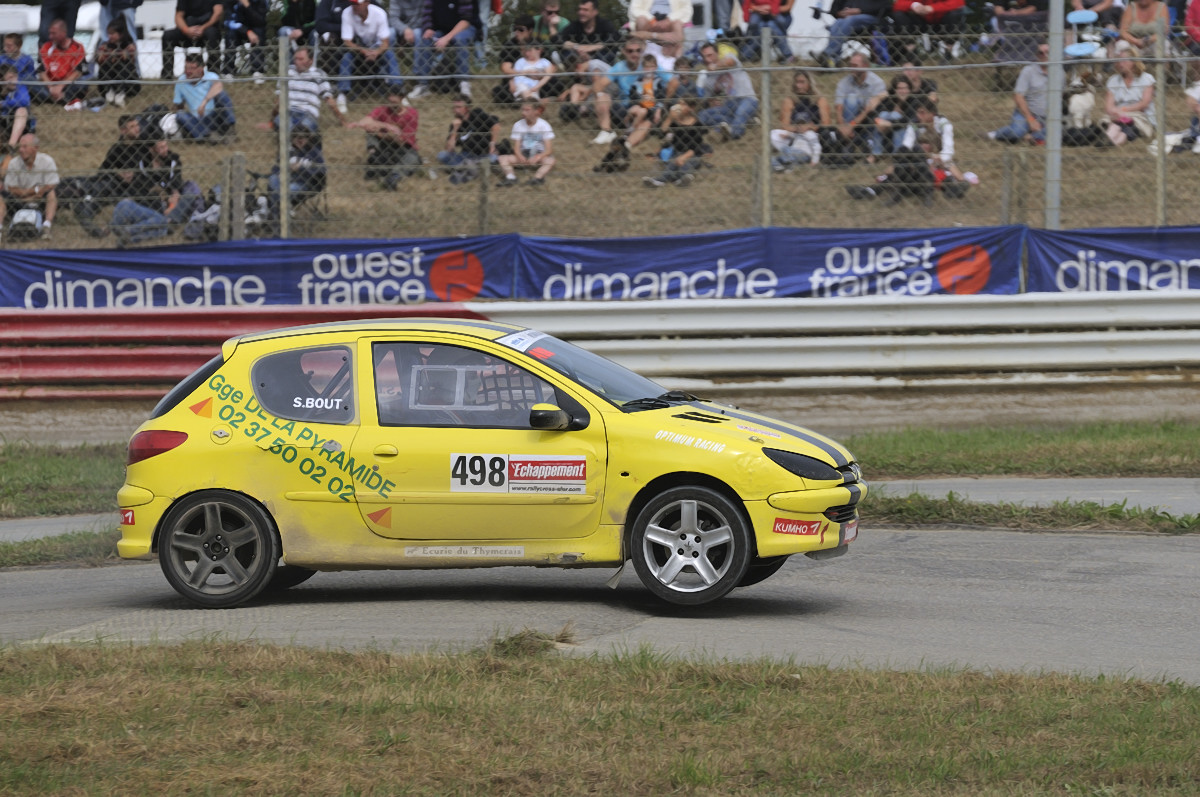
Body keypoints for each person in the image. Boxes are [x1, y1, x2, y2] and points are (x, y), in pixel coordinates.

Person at [110, 136, 202, 245]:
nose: (165, 150)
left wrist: (173, 198)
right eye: (161, 148)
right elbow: (139, 192)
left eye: (165, 146)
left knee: (190, 194)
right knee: (162, 227)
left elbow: (176, 187)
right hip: (150, 207)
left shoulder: (173, 160)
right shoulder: (143, 164)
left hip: (169, 204)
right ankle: (139, 230)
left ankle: (131, 237)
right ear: (152, 150)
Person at [71, 113, 146, 236]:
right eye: (132, 126)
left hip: (138, 186)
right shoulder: (117, 149)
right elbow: (102, 171)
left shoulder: (144, 145)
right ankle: (86, 214)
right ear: (123, 131)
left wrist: (135, 174)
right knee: (104, 184)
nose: (137, 128)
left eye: (137, 125)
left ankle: (87, 203)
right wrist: (119, 173)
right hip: (118, 187)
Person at [592, 38, 670, 148]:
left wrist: (662, 105)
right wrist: (600, 96)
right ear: (623, 51)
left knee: (646, 121)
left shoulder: (648, 65)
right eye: (630, 51)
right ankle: (607, 132)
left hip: (648, 109)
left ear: (642, 51)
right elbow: (598, 86)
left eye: (638, 51)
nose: (635, 54)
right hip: (625, 107)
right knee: (602, 97)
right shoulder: (619, 67)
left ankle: (626, 144)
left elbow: (673, 81)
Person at [346, 86, 421, 189]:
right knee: (370, 132)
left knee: (413, 159)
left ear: (402, 98)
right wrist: (386, 126)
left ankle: (393, 177)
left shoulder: (411, 113)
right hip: (384, 147)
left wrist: (378, 130)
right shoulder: (382, 109)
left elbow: (401, 140)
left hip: (404, 149)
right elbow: (365, 122)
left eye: (394, 96)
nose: (390, 99)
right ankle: (374, 156)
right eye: (389, 96)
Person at [336, 0, 404, 112]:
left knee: (390, 55)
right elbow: (347, 42)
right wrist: (363, 51)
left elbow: (385, 43)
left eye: (357, 4)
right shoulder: (346, 13)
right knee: (347, 57)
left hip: (377, 50)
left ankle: (397, 90)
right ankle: (342, 94)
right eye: (352, 3)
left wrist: (376, 52)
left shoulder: (379, 13)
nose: (354, 6)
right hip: (359, 51)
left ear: (367, 3)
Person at [258, 45, 346, 133]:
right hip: (288, 112)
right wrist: (271, 121)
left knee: (304, 127)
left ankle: (292, 135)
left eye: (301, 59)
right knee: (285, 124)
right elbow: (279, 101)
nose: (297, 62)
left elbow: (329, 100)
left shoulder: (319, 74)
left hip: (307, 113)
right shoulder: (287, 72)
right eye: (296, 59)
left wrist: (343, 121)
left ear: (310, 61)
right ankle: (292, 135)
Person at [409, 0, 479, 100]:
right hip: (440, 30)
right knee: (423, 38)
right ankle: (423, 84)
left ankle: (464, 83)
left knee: (460, 39)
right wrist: (428, 28)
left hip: (464, 29)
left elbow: (466, 21)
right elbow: (427, 15)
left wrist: (447, 38)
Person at [983, 41, 1048, 144]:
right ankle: (996, 134)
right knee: (1016, 132)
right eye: (1041, 53)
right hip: (1026, 114)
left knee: (1059, 131)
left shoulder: (1059, 73)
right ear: (1036, 55)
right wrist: (1030, 119)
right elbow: (1018, 96)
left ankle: (1031, 136)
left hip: (1048, 117)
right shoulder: (1028, 71)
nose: (1044, 55)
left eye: (1047, 52)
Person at [696, 41, 759, 141]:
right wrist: (712, 101)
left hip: (747, 98)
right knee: (704, 114)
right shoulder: (709, 78)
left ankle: (733, 132)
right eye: (705, 57)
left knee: (740, 112)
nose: (708, 59)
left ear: (717, 53)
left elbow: (730, 62)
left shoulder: (728, 57)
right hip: (729, 104)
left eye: (710, 55)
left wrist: (716, 67)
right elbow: (707, 99)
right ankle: (746, 122)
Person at [1, 133, 58, 241]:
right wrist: (35, 190)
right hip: (18, 201)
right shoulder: (14, 163)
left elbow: (51, 185)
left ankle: (46, 226)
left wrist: (27, 193)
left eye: (25, 146)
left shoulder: (47, 161)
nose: (21, 150)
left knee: (51, 193)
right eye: (20, 147)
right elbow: (11, 188)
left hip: (40, 202)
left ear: (35, 148)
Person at [832, 51, 886, 162]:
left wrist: (850, 126)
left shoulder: (877, 83)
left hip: (869, 120)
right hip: (849, 120)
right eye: (850, 65)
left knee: (853, 99)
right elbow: (839, 108)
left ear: (865, 66)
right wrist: (843, 127)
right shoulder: (844, 82)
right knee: (851, 99)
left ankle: (865, 142)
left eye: (855, 66)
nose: (852, 69)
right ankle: (847, 143)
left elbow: (867, 111)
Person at [264, 128, 326, 224]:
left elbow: (320, 172)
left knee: (285, 191)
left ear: (308, 138)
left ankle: (274, 217)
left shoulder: (314, 152)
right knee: (273, 179)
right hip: (284, 181)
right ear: (292, 139)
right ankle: (281, 212)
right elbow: (275, 169)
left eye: (303, 137)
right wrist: (283, 171)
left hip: (306, 184)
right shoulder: (288, 152)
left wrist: (300, 168)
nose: (299, 140)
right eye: (296, 137)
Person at [170, 53, 237, 142]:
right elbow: (178, 105)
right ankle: (208, 136)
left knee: (222, 95)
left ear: (201, 68)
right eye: (186, 68)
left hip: (214, 117)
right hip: (197, 120)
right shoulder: (181, 81)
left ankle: (230, 131)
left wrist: (204, 103)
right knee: (180, 115)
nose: (187, 71)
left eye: (192, 68)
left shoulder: (211, 76)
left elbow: (218, 86)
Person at [771, 69, 830, 170]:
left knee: (824, 135)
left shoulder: (819, 100)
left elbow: (826, 124)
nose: (799, 86)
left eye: (802, 82)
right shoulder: (790, 100)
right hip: (794, 134)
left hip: (813, 135)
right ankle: (790, 156)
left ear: (810, 83)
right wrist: (798, 128)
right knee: (773, 134)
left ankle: (787, 158)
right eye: (797, 82)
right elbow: (784, 126)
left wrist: (811, 127)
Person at [1102, 40, 1156, 145]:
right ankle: (1109, 140)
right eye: (1119, 61)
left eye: (1124, 61)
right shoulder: (1113, 80)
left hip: (1139, 115)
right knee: (1115, 124)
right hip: (1118, 115)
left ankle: (1112, 142)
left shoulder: (1147, 79)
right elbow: (1108, 107)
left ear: (1134, 62)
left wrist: (1123, 110)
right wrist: (1117, 112)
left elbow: (1144, 104)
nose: (1121, 64)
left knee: (1125, 128)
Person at [436, 93, 499, 183]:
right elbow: (449, 149)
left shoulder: (477, 114)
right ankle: (471, 168)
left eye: (459, 107)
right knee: (441, 155)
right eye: (454, 107)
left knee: (493, 158)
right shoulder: (455, 124)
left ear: (468, 108)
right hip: (466, 155)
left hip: (484, 153)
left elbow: (496, 125)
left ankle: (464, 168)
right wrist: (455, 130)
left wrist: (492, 144)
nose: (456, 110)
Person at [644, 96, 706, 187]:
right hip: (677, 152)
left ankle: (681, 177)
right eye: (679, 103)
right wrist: (670, 118)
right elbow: (662, 133)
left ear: (691, 108)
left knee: (687, 164)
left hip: (692, 154)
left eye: (683, 104)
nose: (679, 106)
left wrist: (684, 157)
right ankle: (662, 180)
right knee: (672, 165)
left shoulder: (697, 124)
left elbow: (696, 147)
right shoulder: (675, 123)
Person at [812, 0, 891, 67]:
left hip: (872, 18)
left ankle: (828, 54)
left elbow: (886, 5)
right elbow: (835, 8)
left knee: (851, 19)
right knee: (838, 22)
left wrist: (859, 11)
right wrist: (839, 13)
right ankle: (833, 61)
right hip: (847, 21)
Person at [161, 0, 224, 79]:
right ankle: (167, 75)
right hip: (187, 29)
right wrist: (186, 30)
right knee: (168, 35)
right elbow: (178, 16)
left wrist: (203, 28)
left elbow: (218, 13)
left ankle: (213, 74)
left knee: (212, 34)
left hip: (207, 28)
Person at [497, 99, 555, 186]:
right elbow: (516, 148)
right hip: (523, 154)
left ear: (536, 111)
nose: (523, 113)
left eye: (527, 110)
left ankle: (537, 178)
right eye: (523, 110)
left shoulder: (544, 125)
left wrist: (538, 156)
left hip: (538, 155)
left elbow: (549, 150)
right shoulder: (518, 125)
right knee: (502, 158)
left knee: (551, 160)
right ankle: (511, 177)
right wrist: (520, 156)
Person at [34, 18, 87, 108]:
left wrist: (60, 86)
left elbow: (78, 71)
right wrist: (51, 88)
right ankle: (61, 99)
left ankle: (57, 99)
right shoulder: (46, 47)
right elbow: (41, 71)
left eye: (54, 33)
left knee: (82, 84)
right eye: (50, 33)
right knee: (29, 82)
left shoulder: (77, 47)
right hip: (49, 85)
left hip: (68, 84)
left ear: (63, 32)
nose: (50, 36)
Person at [889, 0, 967, 61]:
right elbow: (897, 5)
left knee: (954, 14)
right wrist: (914, 5)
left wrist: (932, 8)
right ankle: (911, 52)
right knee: (899, 15)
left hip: (943, 21)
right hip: (922, 21)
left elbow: (958, 2)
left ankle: (949, 52)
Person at [95, 19, 140, 107]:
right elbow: (99, 58)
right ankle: (109, 91)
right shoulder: (104, 45)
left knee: (122, 65)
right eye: (108, 34)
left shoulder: (129, 45)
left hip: (127, 81)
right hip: (108, 77)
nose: (109, 36)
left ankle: (120, 93)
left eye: (112, 34)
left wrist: (112, 55)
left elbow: (128, 57)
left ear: (121, 34)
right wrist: (114, 55)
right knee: (105, 66)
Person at [560, 0, 621, 65]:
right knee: (564, 52)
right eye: (580, 9)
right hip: (579, 57)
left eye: (585, 10)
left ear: (595, 12)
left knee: (610, 50)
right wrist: (576, 47)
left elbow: (617, 37)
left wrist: (593, 47)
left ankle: (588, 65)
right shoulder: (575, 25)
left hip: (600, 61)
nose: (581, 12)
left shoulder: (604, 24)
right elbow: (558, 39)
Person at [222, 0, 269, 79]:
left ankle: (257, 70)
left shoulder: (262, 2)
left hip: (255, 27)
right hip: (238, 28)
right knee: (230, 34)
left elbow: (261, 21)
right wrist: (246, 31)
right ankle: (228, 71)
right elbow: (228, 22)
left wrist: (247, 6)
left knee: (259, 32)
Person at [494, 16, 536, 104]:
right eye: (515, 29)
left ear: (530, 30)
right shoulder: (509, 45)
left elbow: (549, 67)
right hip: (514, 80)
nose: (517, 32)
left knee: (556, 84)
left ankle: (525, 99)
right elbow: (506, 69)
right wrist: (523, 73)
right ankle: (523, 100)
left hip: (535, 80)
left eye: (521, 30)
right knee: (499, 91)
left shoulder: (537, 44)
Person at [874, 75, 915, 152]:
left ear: (909, 89)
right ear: (895, 90)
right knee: (883, 114)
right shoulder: (890, 100)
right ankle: (876, 153)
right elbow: (876, 114)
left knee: (895, 115)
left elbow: (907, 121)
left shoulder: (913, 101)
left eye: (905, 88)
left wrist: (889, 123)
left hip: (908, 135)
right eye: (899, 88)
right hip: (888, 135)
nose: (902, 91)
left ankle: (898, 155)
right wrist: (880, 122)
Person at [628, 0, 693, 48]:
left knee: (677, 24)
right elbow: (634, 9)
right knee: (641, 20)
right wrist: (652, 20)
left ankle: (677, 59)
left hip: (670, 22)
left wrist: (669, 19)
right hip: (649, 21)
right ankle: (641, 51)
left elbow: (687, 9)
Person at [0, 67, 33, 152]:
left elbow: (24, 101)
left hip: (19, 124)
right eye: (10, 77)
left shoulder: (20, 87)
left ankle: (11, 146)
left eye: (15, 77)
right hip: (3, 124)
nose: (14, 80)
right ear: (2, 79)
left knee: (21, 110)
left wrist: (4, 104)